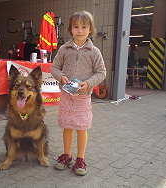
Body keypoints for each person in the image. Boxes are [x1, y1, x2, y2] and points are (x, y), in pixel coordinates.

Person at [51, 11, 106, 176]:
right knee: (67, 126)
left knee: (82, 128)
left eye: (84, 27)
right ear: (70, 29)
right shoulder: (64, 49)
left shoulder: (94, 51)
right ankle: (66, 155)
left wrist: (88, 83)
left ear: (90, 30)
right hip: (66, 96)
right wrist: (61, 77)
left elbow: (101, 73)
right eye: (76, 27)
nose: (80, 30)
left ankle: (80, 159)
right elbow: (54, 68)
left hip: (83, 97)